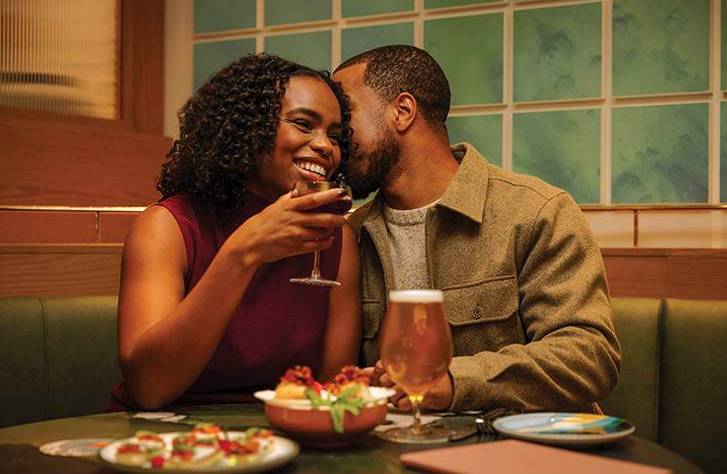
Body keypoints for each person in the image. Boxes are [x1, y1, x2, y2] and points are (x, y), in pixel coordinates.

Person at [332, 45, 621, 414]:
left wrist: (457, 381)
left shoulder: (535, 212)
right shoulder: (349, 236)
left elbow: (590, 357)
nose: (335, 137)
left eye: (345, 115)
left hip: (526, 453)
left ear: (402, 111)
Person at [106, 54, 362, 412]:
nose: (325, 146)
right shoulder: (168, 227)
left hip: (281, 436)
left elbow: (332, 392)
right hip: (162, 435)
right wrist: (244, 251)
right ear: (246, 128)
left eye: (334, 136)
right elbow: (150, 387)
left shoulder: (336, 239)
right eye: (304, 124)